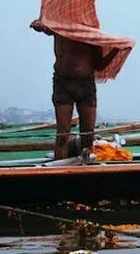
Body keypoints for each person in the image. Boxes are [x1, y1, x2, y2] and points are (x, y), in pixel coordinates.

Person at [33, 22, 121, 160]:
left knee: (87, 135)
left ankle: (85, 170)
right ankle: (59, 171)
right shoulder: (61, 27)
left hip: (86, 85)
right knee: (62, 135)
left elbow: (99, 65)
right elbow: (46, 28)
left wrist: (116, 49)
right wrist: (40, 25)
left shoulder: (90, 35)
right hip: (63, 83)